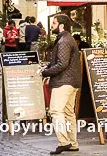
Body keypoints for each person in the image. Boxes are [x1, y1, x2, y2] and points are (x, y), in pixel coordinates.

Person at [40, 15, 82, 155]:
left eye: (54, 23)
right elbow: (63, 61)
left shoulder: (63, 41)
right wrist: (48, 67)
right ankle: (73, 143)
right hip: (72, 82)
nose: (51, 25)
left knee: (55, 111)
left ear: (61, 26)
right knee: (69, 113)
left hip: (63, 82)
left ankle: (64, 142)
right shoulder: (67, 39)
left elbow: (62, 64)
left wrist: (46, 73)